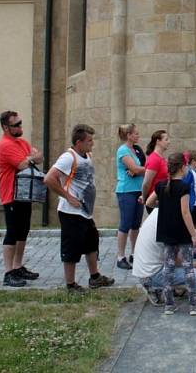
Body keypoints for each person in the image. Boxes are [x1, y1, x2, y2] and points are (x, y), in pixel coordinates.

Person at [43, 124, 115, 293]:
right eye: (89, 140)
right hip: (70, 212)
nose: (93, 143)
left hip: (85, 212)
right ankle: (70, 284)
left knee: (91, 243)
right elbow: (49, 178)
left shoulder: (87, 155)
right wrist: (67, 196)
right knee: (72, 248)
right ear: (78, 142)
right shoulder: (68, 157)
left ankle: (95, 277)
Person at [145, 152, 196, 315]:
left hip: (166, 231)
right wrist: (193, 234)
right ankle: (193, 305)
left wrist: (163, 204)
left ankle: (169, 304)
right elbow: (185, 212)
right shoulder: (183, 187)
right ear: (183, 167)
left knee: (168, 267)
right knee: (188, 268)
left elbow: (149, 202)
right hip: (182, 232)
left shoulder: (161, 185)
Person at [0, 110, 43, 287]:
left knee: (23, 231)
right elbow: (23, 164)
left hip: (24, 194)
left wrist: (31, 158)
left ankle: (18, 266)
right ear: (5, 127)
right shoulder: (5, 145)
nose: (20, 127)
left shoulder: (21, 142)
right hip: (11, 194)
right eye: (16, 125)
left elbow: (37, 157)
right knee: (13, 232)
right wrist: (31, 158)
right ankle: (8, 273)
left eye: (20, 123)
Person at [132, 207, 196, 309]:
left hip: (146, 270)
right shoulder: (170, 222)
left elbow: (187, 225)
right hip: (152, 274)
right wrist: (195, 265)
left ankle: (172, 288)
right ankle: (157, 288)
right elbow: (174, 259)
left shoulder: (160, 211)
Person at [115, 123, 146, 270]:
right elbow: (134, 168)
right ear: (128, 135)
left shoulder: (137, 150)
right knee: (125, 224)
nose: (138, 135)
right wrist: (150, 169)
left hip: (138, 190)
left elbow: (140, 166)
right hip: (126, 190)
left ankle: (135, 253)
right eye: (136, 133)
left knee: (136, 224)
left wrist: (140, 170)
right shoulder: (123, 150)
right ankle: (120, 256)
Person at [142, 130, 170, 214]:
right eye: (166, 139)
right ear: (158, 141)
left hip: (162, 198)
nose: (169, 142)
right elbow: (146, 183)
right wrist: (144, 197)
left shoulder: (162, 158)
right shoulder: (154, 159)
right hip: (155, 200)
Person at [182, 150, 196, 229]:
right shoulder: (189, 173)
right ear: (193, 161)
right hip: (192, 204)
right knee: (190, 224)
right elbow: (185, 187)